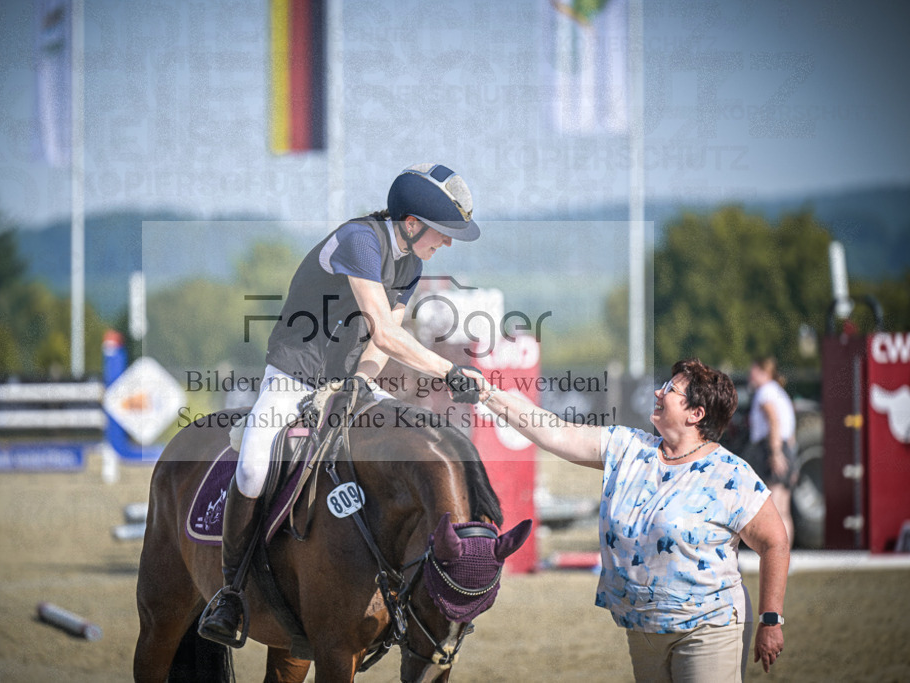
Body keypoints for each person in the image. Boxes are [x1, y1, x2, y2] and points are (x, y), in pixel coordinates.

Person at [198, 163, 483, 647]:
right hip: (294, 371)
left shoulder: (411, 264)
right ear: (412, 223)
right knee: (250, 468)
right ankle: (231, 593)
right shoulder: (360, 240)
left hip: (347, 379)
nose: (448, 244)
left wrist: (360, 382)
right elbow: (385, 329)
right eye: (443, 233)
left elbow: (380, 346)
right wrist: (449, 372)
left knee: (410, 432)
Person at [471, 358, 790, 681]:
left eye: (670, 389)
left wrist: (771, 619)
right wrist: (487, 393)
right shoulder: (628, 449)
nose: (657, 391)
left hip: (708, 627)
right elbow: (555, 432)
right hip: (642, 628)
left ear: (696, 414)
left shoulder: (731, 474)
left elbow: (774, 542)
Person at [745, 356, 798, 548]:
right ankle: (785, 555)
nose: (750, 375)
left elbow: (773, 421)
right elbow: (790, 433)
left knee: (773, 508)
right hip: (786, 448)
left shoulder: (765, 392)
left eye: (754, 371)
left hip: (772, 448)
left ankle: (776, 554)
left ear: (764, 372)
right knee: (783, 509)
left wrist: (775, 453)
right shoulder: (779, 392)